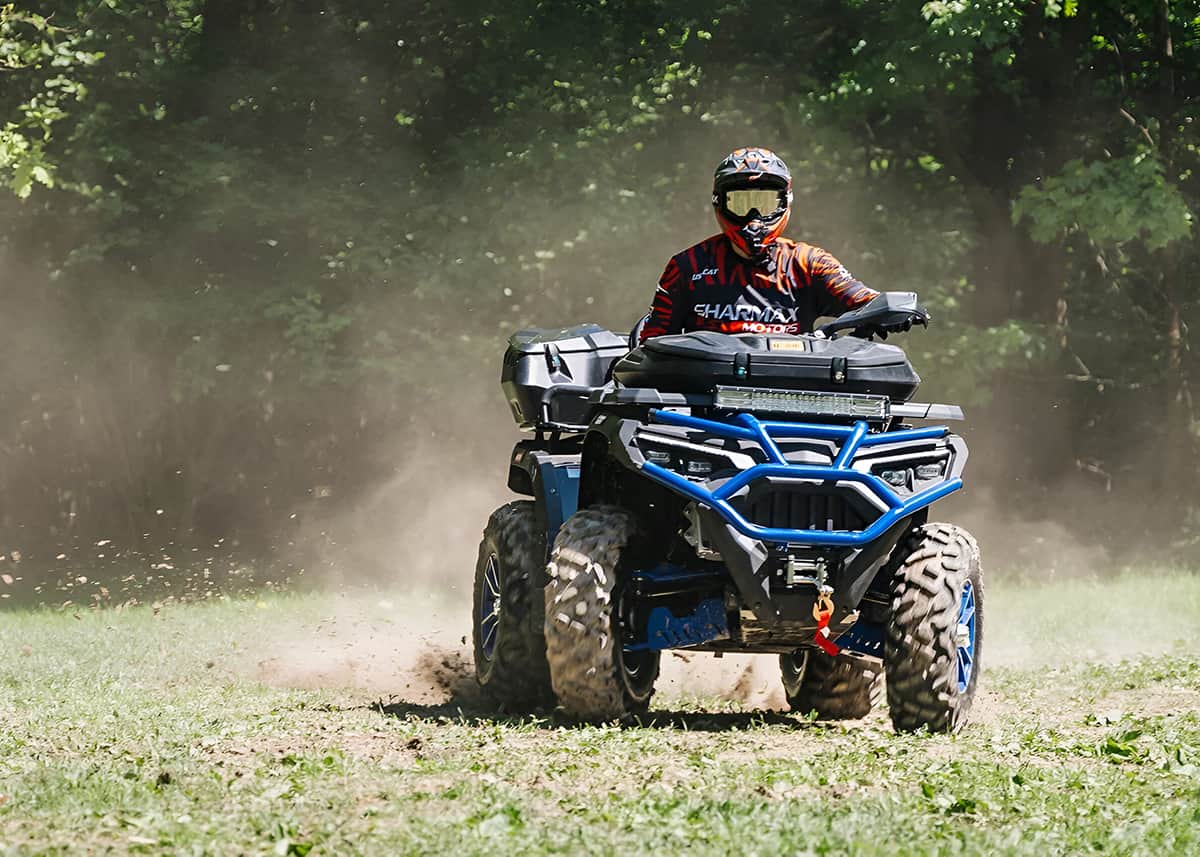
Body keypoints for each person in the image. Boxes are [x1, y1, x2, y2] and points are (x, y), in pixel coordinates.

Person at [639, 147, 878, 342]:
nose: (753, 217)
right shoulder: (688, 267)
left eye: (765, 204)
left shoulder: (808, 264)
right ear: (720, 203)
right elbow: (650, 345)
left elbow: (867, 301)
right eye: (740, 203)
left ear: (784, 202)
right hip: (707, 386)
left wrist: (890, 311)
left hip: (790, 382)